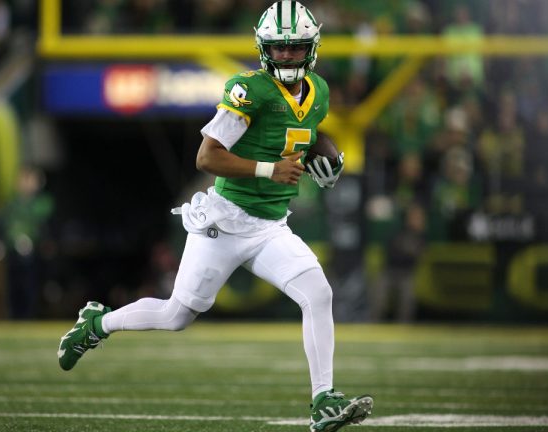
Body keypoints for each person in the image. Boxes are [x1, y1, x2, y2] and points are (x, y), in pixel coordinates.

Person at [57, 2, 373, 431]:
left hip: (269, 226)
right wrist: (269, 169)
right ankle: (96, 323)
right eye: (277, 49)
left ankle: (323, 401)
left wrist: (327, 158)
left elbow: (307, 135)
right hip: (223, 221)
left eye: (293, 48)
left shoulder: (318, 90)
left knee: (318, 294)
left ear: (311, 48)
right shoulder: (249, 88)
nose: (284, 57)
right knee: (177, 316)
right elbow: (207, 156)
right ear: (263, 49)